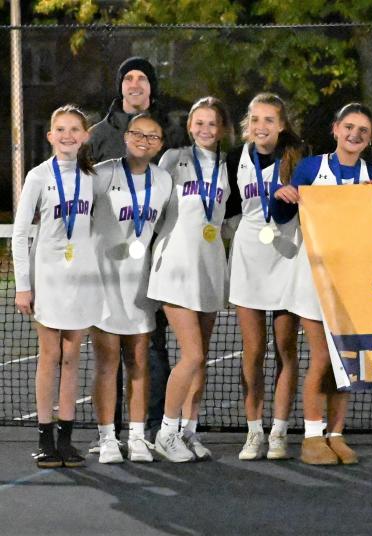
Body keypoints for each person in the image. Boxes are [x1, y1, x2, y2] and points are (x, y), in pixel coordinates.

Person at [272, 103, 372, 465]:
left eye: (363, 131)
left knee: (343, 359)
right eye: (349, 127)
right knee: (322, 355)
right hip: (312, 275)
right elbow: (284, 215)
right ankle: (311, 436)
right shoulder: (311, 168)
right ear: (335, 129)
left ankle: (336, 435)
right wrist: (283, 196)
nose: (355, 135)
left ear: (368, 140)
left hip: (352, 279)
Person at [87, 57, 187, 445]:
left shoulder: (171, 133)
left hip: (152, 264)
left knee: (152, 349)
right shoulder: (97, 136)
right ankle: (108, 432)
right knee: (108, 352)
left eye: (142, 78)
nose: (134, 84)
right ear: (120, 86)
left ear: (151, 87)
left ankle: (152, 430)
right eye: (127, 78)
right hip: (107, 268)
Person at [13, 105, 106, 468]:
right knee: (50, 356)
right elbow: (20, 235)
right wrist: (24, 286)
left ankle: (66, 439)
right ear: (50, 136)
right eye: (60, 129)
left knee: (72, 357)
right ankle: (44, 437)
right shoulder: (37, 177)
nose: (67, 135)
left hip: (81, 278)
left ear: (84, 136)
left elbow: (99, 229)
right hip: (48, 277)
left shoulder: (92, 178)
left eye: (74, 130)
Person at [148, 97, 234, 461]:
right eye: (199, 123)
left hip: (210, 266)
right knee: (193, 355)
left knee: (203, 358)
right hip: (176, 265)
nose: (205, 129)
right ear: (189, 126)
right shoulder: (172, 159)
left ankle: (188, 431)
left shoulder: (227, 166)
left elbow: (220, 220)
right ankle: (166, 432)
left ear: (222, 129)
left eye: (212, 124)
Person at [224, 93, 305, 461]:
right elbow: (222, 206)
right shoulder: (234, 159)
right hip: (249, 257)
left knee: (286, 350)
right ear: (248, 124)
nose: (261, 126)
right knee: (253, 351)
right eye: (255, 119)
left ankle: (279, 431)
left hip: (288, 256)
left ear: (282, 125)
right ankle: (254, 431)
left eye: (269, 120)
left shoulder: (299, 159)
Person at [90, 113, 173, 463]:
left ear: (161, 144)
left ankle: (137, 436)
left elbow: (169, 231)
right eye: (138, 133)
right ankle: (108, 437)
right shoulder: (103, 173)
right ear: (125, 137)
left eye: (153, 136)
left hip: (141, 284)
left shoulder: (165, 180)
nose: (145, 140)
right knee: (108, 363)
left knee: (139, 361)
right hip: (105, 282)